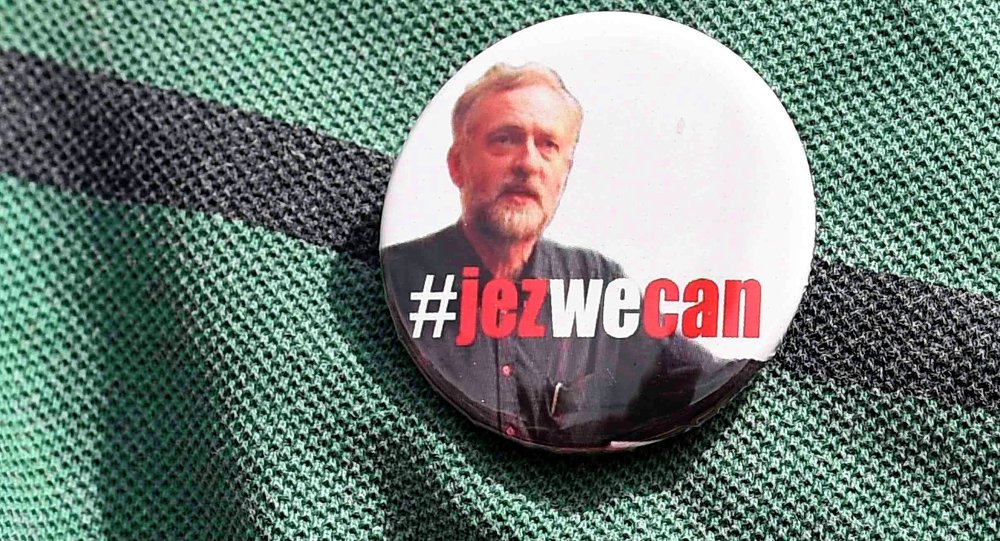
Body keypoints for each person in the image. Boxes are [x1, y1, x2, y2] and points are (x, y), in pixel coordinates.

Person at [381, 62, 759, 451]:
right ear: (457, 165)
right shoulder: (401, 282)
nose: (528, 163)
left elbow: (708, 380)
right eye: (505, 139)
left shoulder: (598, 283)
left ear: (565, 172)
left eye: (548, 145)